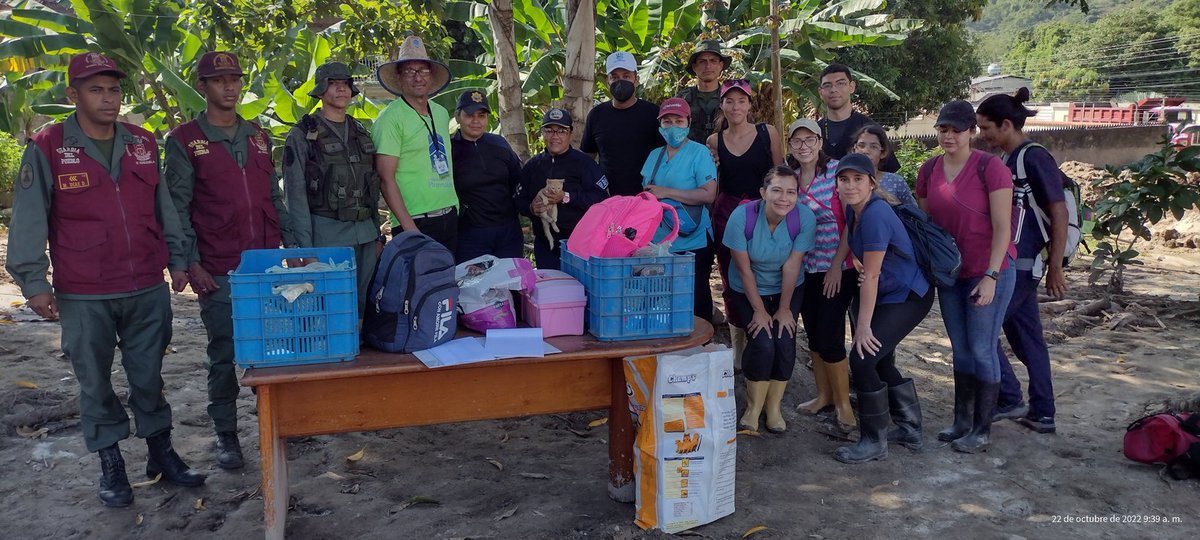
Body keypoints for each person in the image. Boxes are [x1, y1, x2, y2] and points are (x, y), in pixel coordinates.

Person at [6, 52, 204, 507]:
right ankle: (111, 463)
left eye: (113, 89)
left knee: (149, 377)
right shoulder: (49, 145)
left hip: (146, 287)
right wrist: (34, 282)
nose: (108, 98)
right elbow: (30, 219)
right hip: (84, 291)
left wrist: (178, 259)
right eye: (96, 89)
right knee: (94, 381)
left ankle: (161, 453)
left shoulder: (142, 141)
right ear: (73, 95)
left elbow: (165, 208)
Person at [165, 51, 295, 470]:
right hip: (219, 266)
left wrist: (291, 247)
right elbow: (177, 207)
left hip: (265, 262)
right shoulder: (185, 140)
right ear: (202, 87)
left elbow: (272, 196)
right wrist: (189, 260)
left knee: (273, 348)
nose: (230, 87)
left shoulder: (257, 134)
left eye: (235, 79)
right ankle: (226, 434)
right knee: (224, 350)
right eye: (219, 80)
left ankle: (274, 424)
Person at [915, 100, 1016, 454]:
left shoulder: (991, 168)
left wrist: (990, 275)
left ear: (971, 131)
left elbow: (1004, 227)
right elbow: (929, 229)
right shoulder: (928, 171)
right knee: (959, 349)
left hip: (990, 271)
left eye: (957, 129)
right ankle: (961, 420)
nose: (948, 136)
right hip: (952, 275)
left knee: (982, 348)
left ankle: (982, 429)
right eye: (943, 129)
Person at [828, 154, 934, 463]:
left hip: (909, 296)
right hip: (889, 293)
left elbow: (871, 275)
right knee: (881, 361)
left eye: (858, 180)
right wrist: (842, 263)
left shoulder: (875, 214)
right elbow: (855, 242)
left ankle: (873, 440)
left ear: (872, 183)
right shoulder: (854, 209)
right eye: (844, 180)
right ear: (836, 184)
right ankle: (910, 429)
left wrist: (863, 327)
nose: (850, 186)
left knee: (862, 359)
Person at [977, 88, 1068, 434]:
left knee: (982, 329)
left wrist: (1055, 266)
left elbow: (1057, 211)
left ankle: (1009, 396)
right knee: (1028, 339)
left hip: (1023, 263)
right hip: (1016, 262)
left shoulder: (1033, 157)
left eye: (986, 129)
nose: (982, 136)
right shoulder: (1005, 159)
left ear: (1006, 125)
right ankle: (1042, 412)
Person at [282, 61, 383, 316]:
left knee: (362, 307)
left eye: (345, 84)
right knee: (330, 308)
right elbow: (295, 196)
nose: (341, 90)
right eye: (333, 84)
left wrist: (376, 235)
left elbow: (371, 185)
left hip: (365, 236)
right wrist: (305, 250)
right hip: (327, 236)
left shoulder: (360, 131)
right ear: (321, 91)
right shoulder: (303, 134)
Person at [722, 166, 816, 433]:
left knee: (785, 341)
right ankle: (753, 406)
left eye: (791, 192)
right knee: (763, 340)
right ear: (763, 193)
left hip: (787, 287)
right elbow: (743, 269)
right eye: (776, 190)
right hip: (748, 287)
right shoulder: (742, 217)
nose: (784, 198)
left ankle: (773, 408)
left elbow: (792, 266)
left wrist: (785, 308)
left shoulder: (804, 218)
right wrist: (759, 310)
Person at [783, 118, 856, 431]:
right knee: (812, 331)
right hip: (805, 267)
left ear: (820, 142)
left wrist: (837, 265)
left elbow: (854, 220)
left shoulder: (838, 172)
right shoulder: (792, 179)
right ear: (790, 146)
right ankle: (823, 395)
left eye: (809, 139)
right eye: (797, 141)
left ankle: (844, 405)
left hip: (836, 267)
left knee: (830, 335)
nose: (804, 146)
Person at [706, 79, 783, 370]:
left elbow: (779, 172)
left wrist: (777, 211)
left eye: (741, 101)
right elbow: (714, 179)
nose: (735, 106)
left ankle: (764, 331)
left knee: (765, 270)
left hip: (763, 210)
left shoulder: (767, 133)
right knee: (730, 276)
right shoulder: (714, 141)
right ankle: (738, 339)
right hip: (726, 212)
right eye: (729, 101)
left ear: (749, 104)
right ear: (722, 105)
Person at [373, 35, 459, 252]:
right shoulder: (390, 118)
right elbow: (385, 178)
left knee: (448, 282)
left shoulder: (440, 113)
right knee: (419, 285)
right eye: (410, 71)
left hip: (448, 216)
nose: (417, 77)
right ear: (400, 78)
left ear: (431, 76)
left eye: (423, 71)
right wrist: (410, 229)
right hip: (415, 221)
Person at [641, 97, 718, 320]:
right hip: (661, 242)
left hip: (693, 240)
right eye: (667, 122)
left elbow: (708, 194)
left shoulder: (699, 153)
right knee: (663, 300)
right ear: (660, 125)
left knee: (696, 299)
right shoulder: (654, 156)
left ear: (688, 122)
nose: (673, 126)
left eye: (678, 120)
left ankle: (702, 348)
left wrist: (666, 192)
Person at [516, 108, 610, 270]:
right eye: (549, 130)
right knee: (552, 292)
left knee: (580, 292)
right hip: (546, 245)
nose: (555, 136)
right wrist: (531, 208)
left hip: (579, 244)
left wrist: (567, 197)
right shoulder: (532, 165)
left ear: (570, 134)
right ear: (542, 133)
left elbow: (602, 200)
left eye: (561, 131)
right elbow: (519, 200)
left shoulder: (584, 164)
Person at [450, 89, 525, 263]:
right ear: (457, 117)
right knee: (474, 287)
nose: (476, 121)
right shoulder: (448, 150)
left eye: (481, 115)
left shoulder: (499, 144)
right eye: (470, 115)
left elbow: (519, 179)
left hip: (508, 232)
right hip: (471, 235)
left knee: (511, 286)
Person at [581, 51, 661, 197]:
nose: (620, 81)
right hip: (607, 198)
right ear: (608, 82)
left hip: (647, 197)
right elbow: (587, 158)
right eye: (615, 77)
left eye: (626, 76)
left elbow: (668, 154)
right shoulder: (596, 115)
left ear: (636, 79)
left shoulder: (654, 113)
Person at [816, 63, 900, 172]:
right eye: (827, 85)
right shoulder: (814, 132)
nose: (833, 90)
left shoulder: (869, 128)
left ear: (851, 87)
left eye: (840, 83)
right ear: (820, 92)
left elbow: (889, 173)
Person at [677, 40, 731, 143]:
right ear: (694, 67)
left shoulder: (731, 98)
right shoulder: (681, 100)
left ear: (721, 65)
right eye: (702, 61)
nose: (708, 66)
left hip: (725, 156)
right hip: (691, 156)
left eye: (713, 61)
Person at [850, 124, 916, 206]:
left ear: (883, 153)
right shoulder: (846, 181)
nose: (866, 151)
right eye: (861, 146)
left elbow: (912, 211)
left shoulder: (895, 182)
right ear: (853, 150)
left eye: (873, 147)